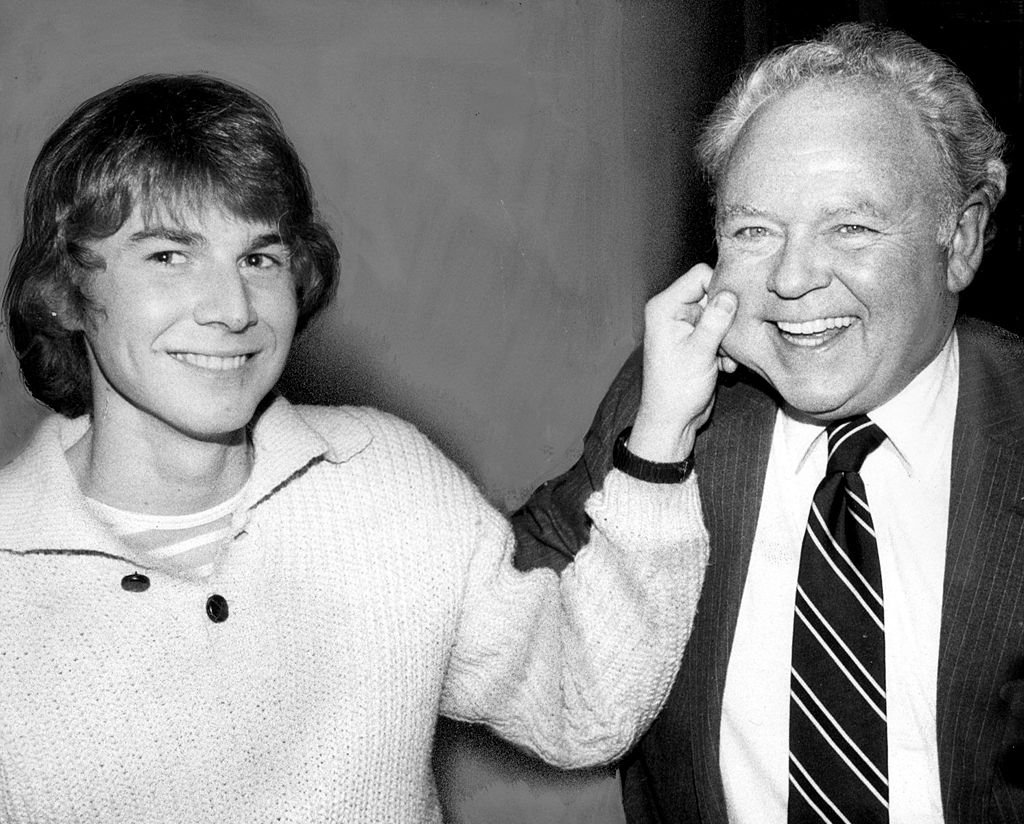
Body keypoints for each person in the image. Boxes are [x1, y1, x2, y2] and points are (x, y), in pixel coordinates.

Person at [0, 74, 722, 823]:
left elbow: (583, 707)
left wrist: (660, 433)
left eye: (258, 258)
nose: (232, 309)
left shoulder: (390, 481)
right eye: (168, 257)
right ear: (63, 292)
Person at [514, 23, 1020, 824]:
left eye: (850, 227)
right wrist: (656, 451)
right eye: (753, 231)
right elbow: (500, 610)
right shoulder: (674, 402)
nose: (791, 278)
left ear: (958, 241)